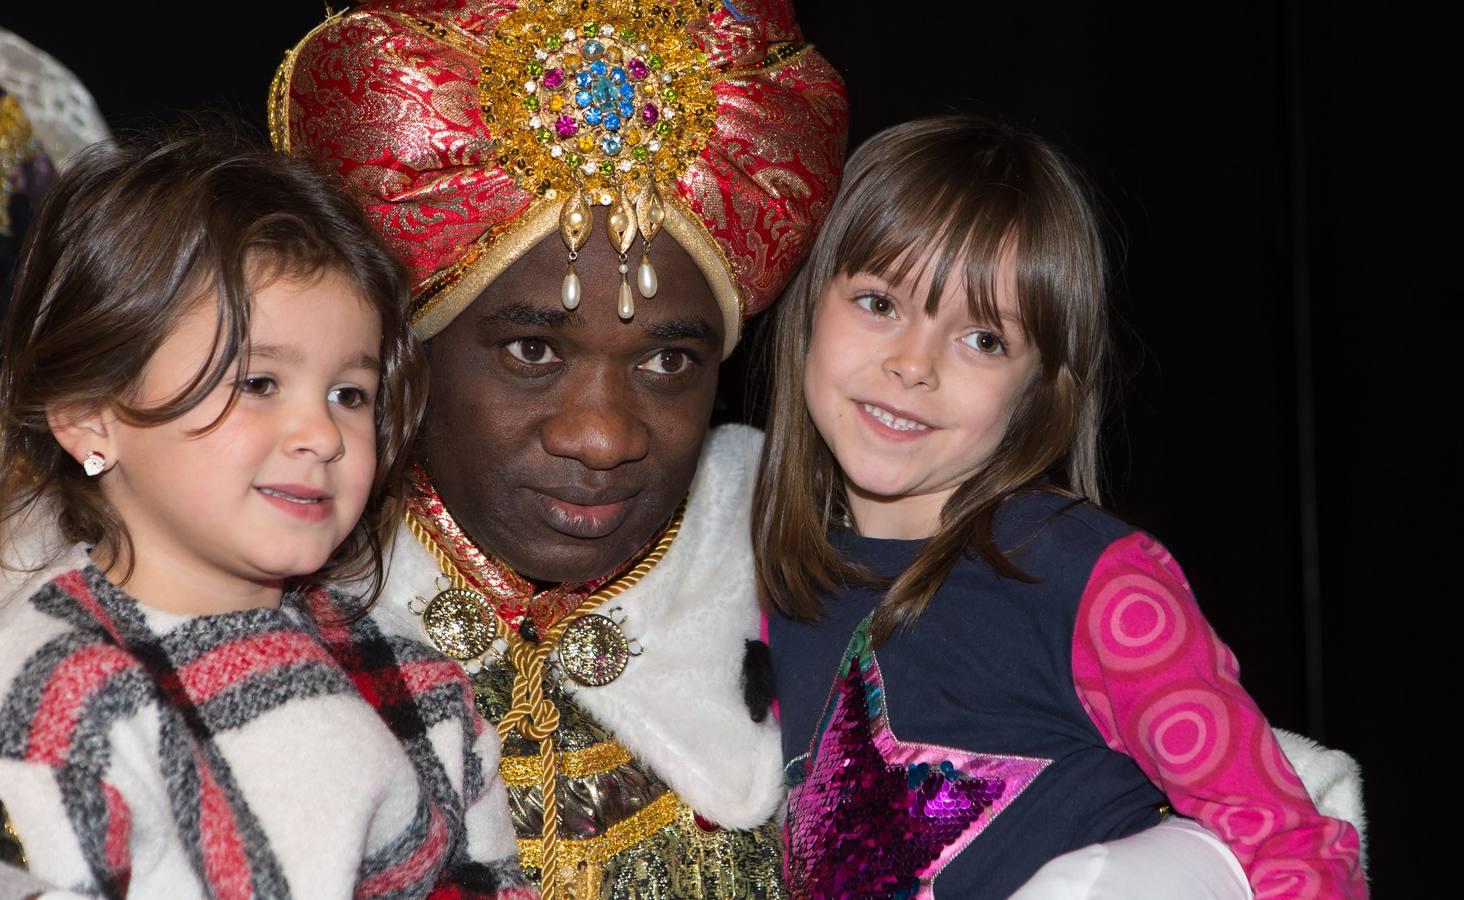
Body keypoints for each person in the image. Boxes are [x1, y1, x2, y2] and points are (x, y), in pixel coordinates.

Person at [271, 1, 849, 896]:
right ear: (404, 357)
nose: (603, 435)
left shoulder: (825, 597)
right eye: (533, 351)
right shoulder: (253, 626)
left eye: (667, 360)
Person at [754, 115, 1368, 898]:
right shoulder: (754, 592)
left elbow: (1292, 851)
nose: (912, 364)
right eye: (879, 302)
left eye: (983, 339)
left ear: (1041, 389)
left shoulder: (1093, 580)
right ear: (806, 307)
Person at [0, 128, 533, 898]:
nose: (321, 435)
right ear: (91, 416)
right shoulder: (52, 690)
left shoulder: (417, 684)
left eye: (349, 395)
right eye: (258, 383)